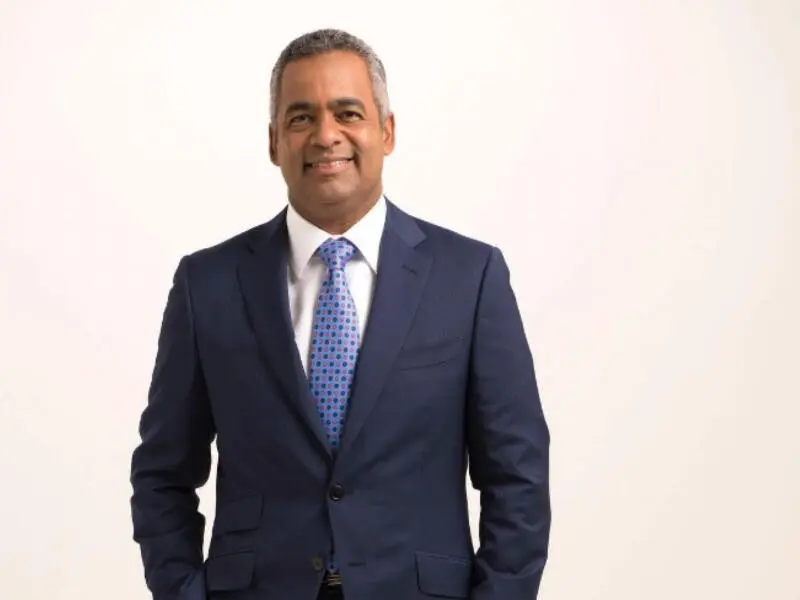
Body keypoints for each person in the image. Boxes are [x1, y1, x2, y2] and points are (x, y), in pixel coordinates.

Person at [130, 28, 550, 600]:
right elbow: (162, 474)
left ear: (387, 131)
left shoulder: (469, 277)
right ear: (274, 141)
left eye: (348, 113)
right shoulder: (207, 284)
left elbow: (518, 476)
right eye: (301, 117)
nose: (326, 135)